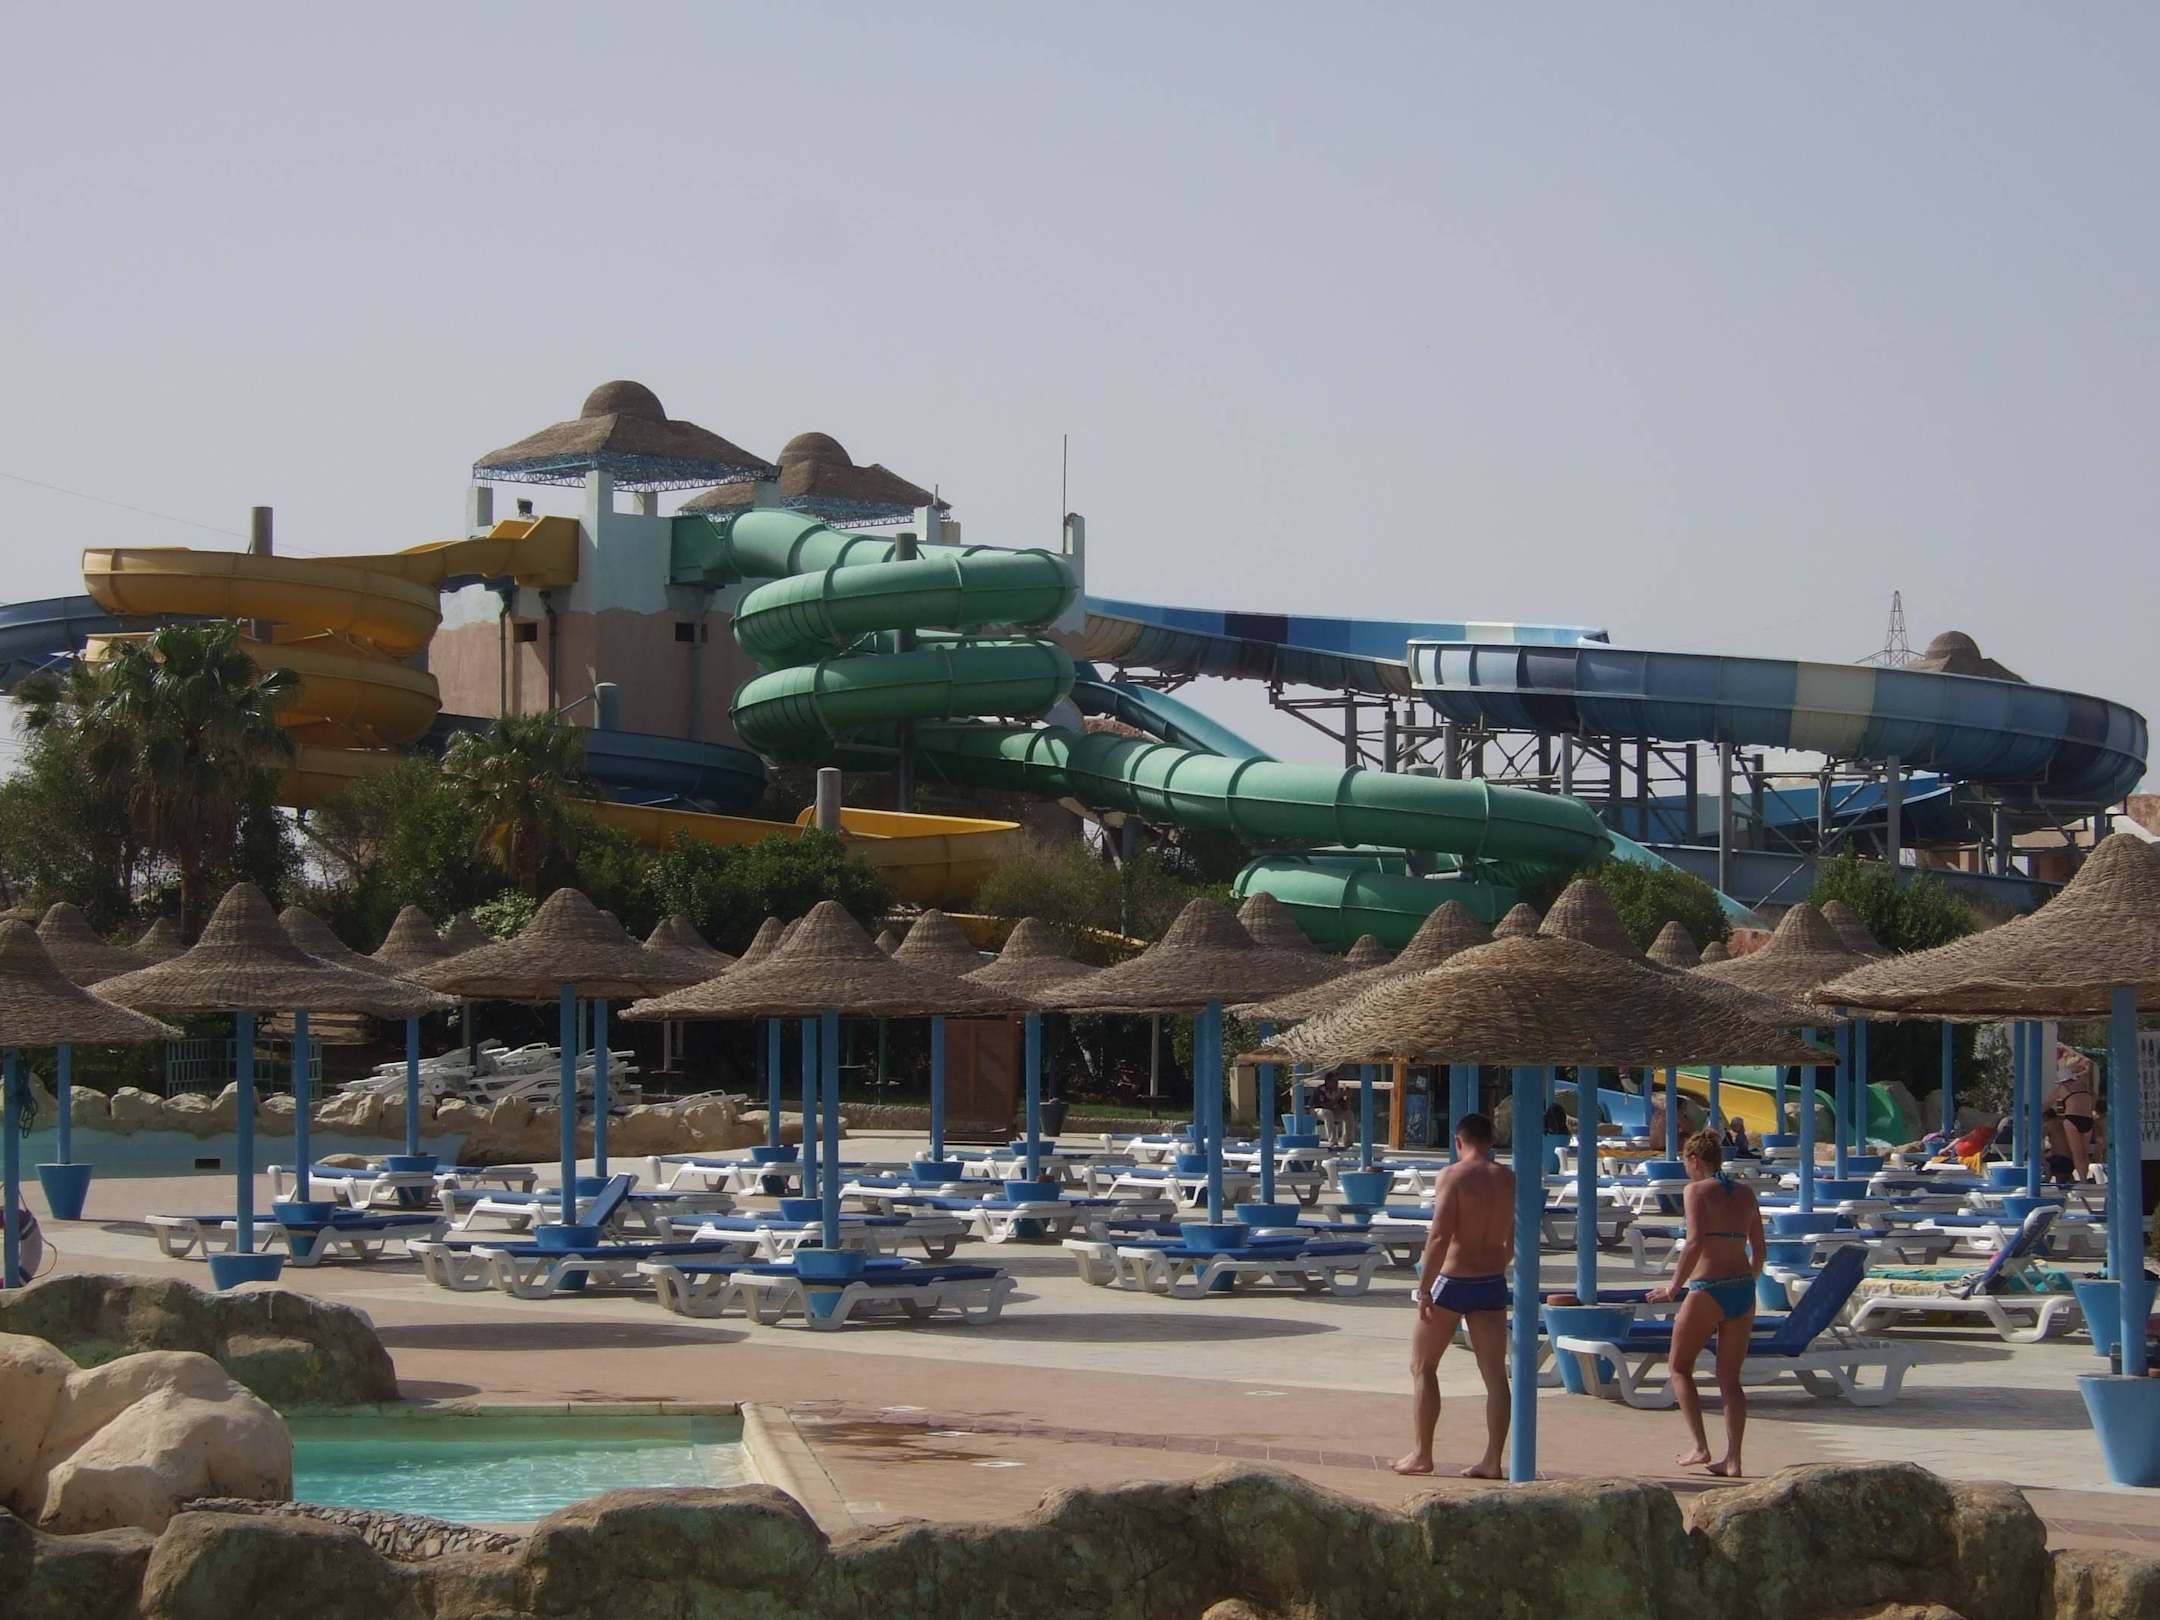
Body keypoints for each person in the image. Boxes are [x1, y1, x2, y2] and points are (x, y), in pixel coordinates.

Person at [1394, 1112, 1513, 1480]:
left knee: (1423, 1366)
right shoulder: (1508, 1178)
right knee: (1495, 1376)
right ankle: (1492, 1460)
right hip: (1491, 1280)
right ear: (1491, 1142)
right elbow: (1515, 1237)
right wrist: (1498, 1262)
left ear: (1458, 1141)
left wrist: (1424, 1289)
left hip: (1453, 1281)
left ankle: (1422, 1454)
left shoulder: (1453, 1175)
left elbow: (1440, 1235)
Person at [1646, 1129, 1764, 1477]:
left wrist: (1673, 1288)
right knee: (1730, 1378)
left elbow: (1695, 1242)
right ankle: (1734, 1459)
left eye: (1685, 1161)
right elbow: (1760, 1248)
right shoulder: (1746, 1193)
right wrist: (1750, 1277)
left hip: (1708, 1288)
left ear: (1695, 1160)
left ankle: (1700, 1446)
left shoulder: (1695, 1191)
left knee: (1679, 1367)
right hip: (1742, 1289)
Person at [2044, 1050, 2101, 1182]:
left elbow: (2046, 1104)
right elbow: (2093, 1102)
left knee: (2077, 1153)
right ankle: (2084, 1179)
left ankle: (2083, 1181)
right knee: (2084, 1153)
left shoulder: (2062, 1088)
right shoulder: (2085, 1087)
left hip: (2072, 1119)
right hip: (2088, 1119)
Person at [1313, 1074, 1348, 1147]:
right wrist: (1339, 1096)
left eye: (1337, 1081)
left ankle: (1348, 1140)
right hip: (1317, 1111)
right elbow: (1326, 1106)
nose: (1336, 1084)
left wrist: (1347, 1097)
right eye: (1334, 1081)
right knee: (1328, 1113)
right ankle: (1333, 1141)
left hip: (1332, 1111)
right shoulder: (1320, 1090)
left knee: (1348, 1114)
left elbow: (1345, 1108)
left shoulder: (1337, 1091)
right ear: (1327, 1082)